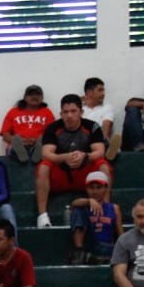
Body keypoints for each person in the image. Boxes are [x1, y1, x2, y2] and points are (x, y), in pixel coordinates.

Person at [35, 94, 110, 228]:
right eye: (65, 112)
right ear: (61, 113)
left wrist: (84, 156)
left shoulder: (92, 127)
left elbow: (99, 151)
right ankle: (42, 215)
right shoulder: (52, 128)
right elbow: (46, 154)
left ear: (81, 112)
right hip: (62, 173)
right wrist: (65, 157)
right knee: (43, 167)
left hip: (84, 173)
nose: (69, 115)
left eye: (73, 111)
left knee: (103, 165)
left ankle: (106, 209)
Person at [67, 170, 121, 264]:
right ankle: (79, 252)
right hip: (89, 247)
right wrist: (88, 201)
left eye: (99, 187)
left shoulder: (114, 208)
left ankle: (98, 259)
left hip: (107, 247)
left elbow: (120, 234)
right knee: (78, 210)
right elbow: (73, 204)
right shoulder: (83, 207)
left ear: (105, 188)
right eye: (91, 188)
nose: (95, 191)